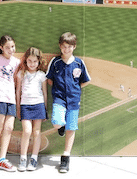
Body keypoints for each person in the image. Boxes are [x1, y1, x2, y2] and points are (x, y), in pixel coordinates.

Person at [46, 32, 91, 173]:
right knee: (56, 121)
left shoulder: (79, 63)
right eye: (64, 46)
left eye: (69, 47)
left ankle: (65, 157)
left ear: (74, 47)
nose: (66, 49)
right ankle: (61, 126)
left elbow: (86, 80)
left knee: (71, 128)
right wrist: (58, 91)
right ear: (60, 47)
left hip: (74, 100)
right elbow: (49, 79)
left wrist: (75, 90)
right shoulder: (55, 62)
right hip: (59, 98)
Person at [0, 35, 20, 172]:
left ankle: (1, 158)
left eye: (12, 46)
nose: (11, 49)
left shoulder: (16, 62)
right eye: (7, 47)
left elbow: (14, 79)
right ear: (1, 47)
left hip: (10, 97)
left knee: (9, 128)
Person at [15, 47, 48, 172]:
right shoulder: (21, 74)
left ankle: (34, 159)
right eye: (30, 61)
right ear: (26, 61)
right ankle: (23, 158)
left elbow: (45, 94)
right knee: (27, 131)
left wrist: (45, 109)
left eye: (35, 61)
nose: (32, 64)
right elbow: (18, 92)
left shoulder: (41, 75)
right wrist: (18, 108)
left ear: (39, 61)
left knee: (37, 132)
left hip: (38, 105)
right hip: (25, 106)